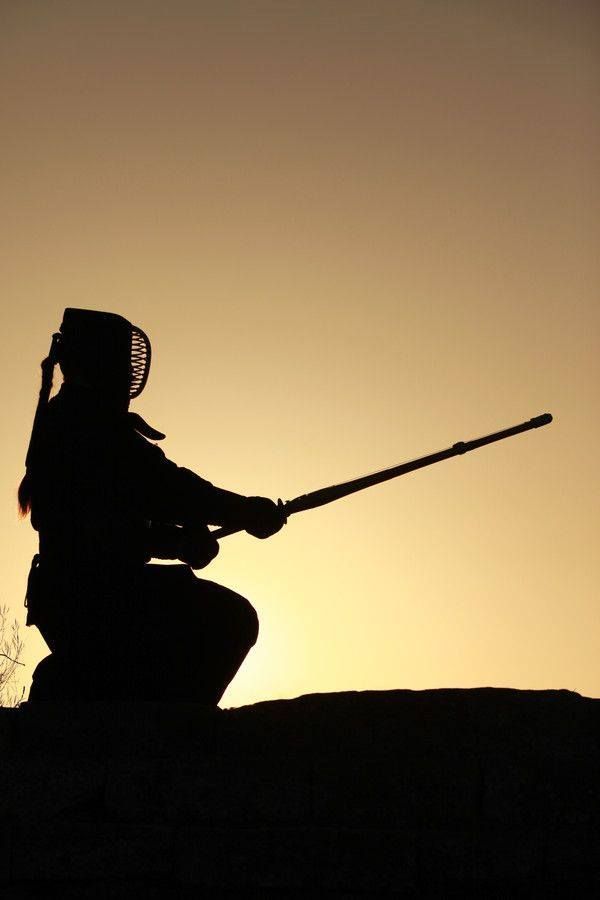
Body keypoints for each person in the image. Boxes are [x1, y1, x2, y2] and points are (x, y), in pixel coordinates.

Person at [19, 308, 286, 703]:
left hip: (69, 599)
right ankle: (172, 725)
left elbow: (113, 527)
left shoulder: (68, 421)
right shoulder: (91, 429)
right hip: (96, 600)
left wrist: (178, 545)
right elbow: (172, 490)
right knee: (232, 620)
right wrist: (244, 511)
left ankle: (89, 685)